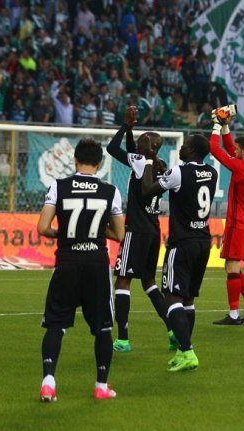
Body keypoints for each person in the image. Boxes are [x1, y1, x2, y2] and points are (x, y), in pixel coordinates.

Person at [37, 138, 125, 401]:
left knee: (56, 325)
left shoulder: (58, 186)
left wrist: (64, 233)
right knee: (103, 328)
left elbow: (43, 228)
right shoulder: (111, 191)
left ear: (75, 160)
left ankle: (48, 382)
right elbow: (119, 234)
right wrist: (96, 231)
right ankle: (101, 386)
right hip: (96, 264)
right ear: (99, 163)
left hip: (67, 262)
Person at [141, 134, 217, 371]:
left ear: (192, 150)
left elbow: (147, 190)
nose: (180, 148)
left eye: (184, 146)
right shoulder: (212, 172)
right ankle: (183, 351)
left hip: (182, 242)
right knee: (189, 299)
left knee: (172, 297)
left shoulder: (178, 172)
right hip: (203, 241)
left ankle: (188, 351)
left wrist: (147, 161)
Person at [104, 106, 174, 353]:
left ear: (149, 148)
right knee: (149, 283)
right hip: (153, 231)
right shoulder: (160, 165)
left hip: (135, 231)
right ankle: (173, 329)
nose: (138, 144)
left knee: (123, 282)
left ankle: (123, 339)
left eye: (143, 141)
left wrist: (126, 126)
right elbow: (133, 152)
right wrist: (132, 132)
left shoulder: (141, 163)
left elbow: (112, 149)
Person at [209, 107, 244, 325]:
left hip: (237, 222)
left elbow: (215, 149)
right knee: (233, 266)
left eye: (238, 149)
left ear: (243, 151)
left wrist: (216, 125)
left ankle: (234, 314)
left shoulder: (241, 169)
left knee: (231, 267)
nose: (235, 150)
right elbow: (230, 147)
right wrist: (226, 125)